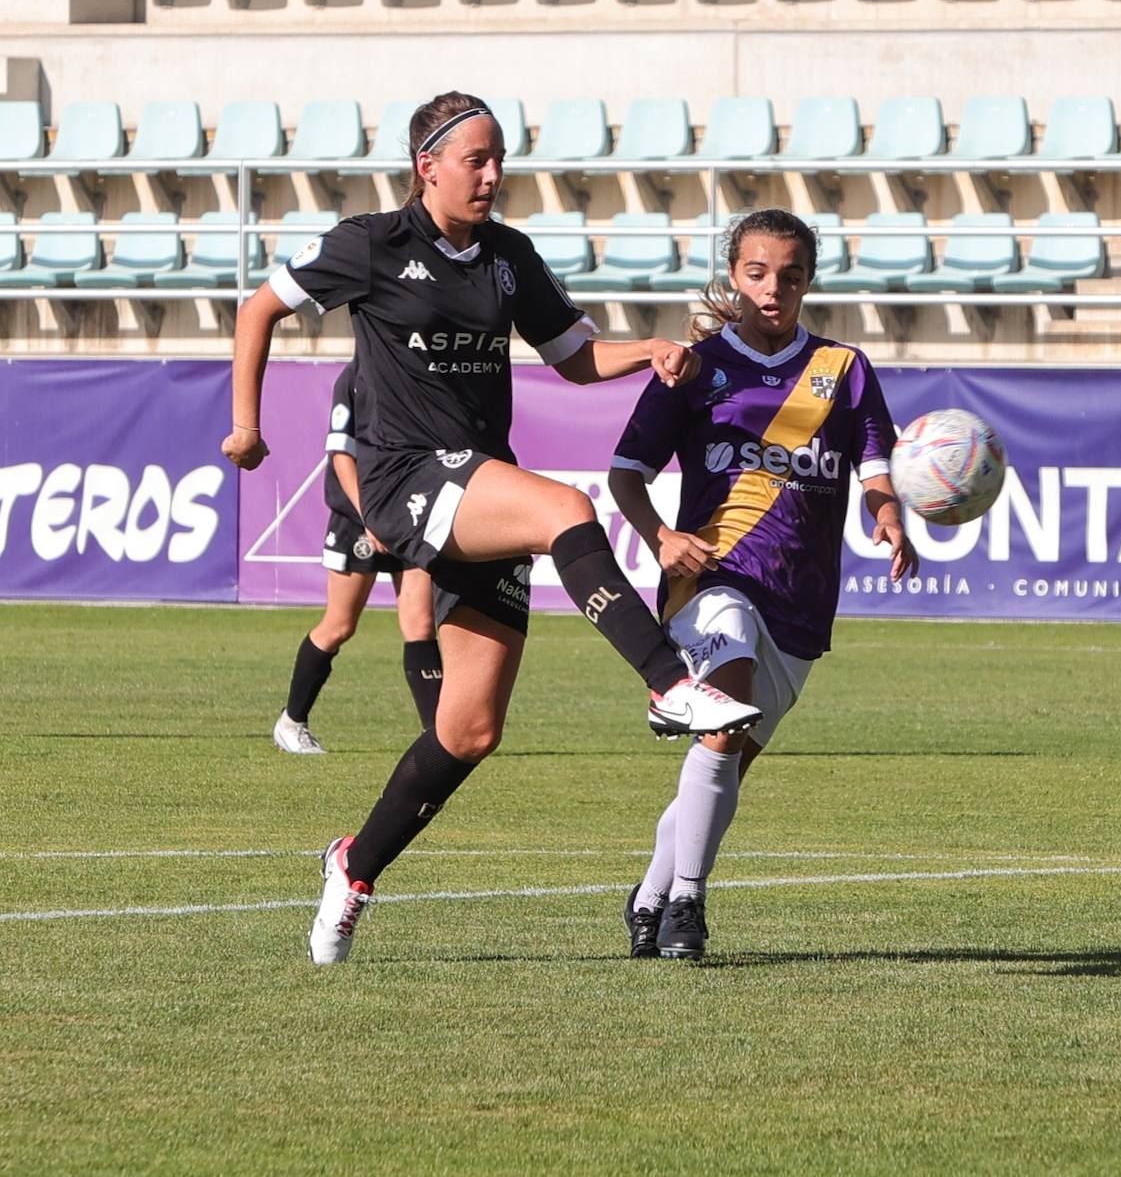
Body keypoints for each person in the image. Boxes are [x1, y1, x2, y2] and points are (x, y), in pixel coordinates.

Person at [221, 90, 762, 965]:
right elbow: (257, 310)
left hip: (473, 486)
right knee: (565, 510)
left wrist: (651, 350)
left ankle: (351, 867)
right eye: (475, 159)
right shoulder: (370, 244)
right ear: (425, 166)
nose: (493, 175)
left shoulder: (508, 257)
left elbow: (574, 358)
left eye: (498, 157)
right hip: (402, 475)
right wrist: (247, 424)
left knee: (468, 731)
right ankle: (670, 683)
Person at [608, 208, 919, 961]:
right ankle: (688, 902)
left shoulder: (843, 371)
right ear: (734, 276)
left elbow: (875, 468)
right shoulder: (695, 365)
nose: (772, 288)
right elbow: (625, 474)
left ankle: (647, 898)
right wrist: (660, 535)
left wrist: (890, 518)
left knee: (724, 753)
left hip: (801, 598)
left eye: (789, 274)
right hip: (711, 580)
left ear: (808, 280)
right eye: (756, 273)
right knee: (723, 708)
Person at [273, 362, 443, 755]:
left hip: (408, 512)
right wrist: (370, 517)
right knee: (339, 625)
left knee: (420, 625)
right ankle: (292, 722)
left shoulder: (415, 372)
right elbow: (341, 456)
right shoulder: (355, 379)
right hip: (358, 519)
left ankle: (440, 738)